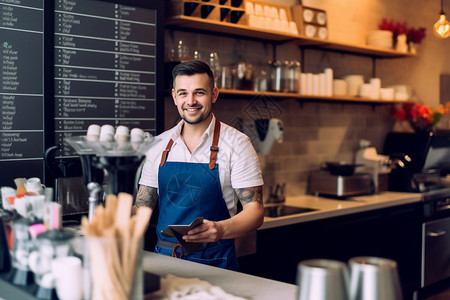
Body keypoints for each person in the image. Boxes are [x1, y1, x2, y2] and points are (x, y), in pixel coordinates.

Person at [135, 60, 264, 270]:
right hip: (165, 261)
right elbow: (143, 207)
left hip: (216, 263)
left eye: (199, 92)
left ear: (214, 94)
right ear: (175, 97)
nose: (191, 101)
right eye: (183, 93)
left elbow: (255, 212)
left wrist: (220, 230)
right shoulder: (158, 145)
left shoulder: (237, 143)